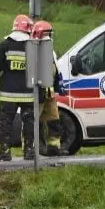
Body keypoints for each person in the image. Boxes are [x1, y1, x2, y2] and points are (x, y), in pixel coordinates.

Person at [0, 14, 36, 161]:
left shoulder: (5, 45)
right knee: (29, 122)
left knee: (6, 123)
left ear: (14, 27)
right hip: (28, 94)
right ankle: (29, 151)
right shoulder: (34, 47)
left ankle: (5, 151)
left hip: (8, 94)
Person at [31, 20, 69, 156]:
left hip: (49, 93)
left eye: (49, 34)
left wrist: (59, 84)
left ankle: (54, 147)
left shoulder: (50, 51)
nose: (48, 37)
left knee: (53, 119)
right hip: (38, 92)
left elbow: (55, 69)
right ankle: (32, 148)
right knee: (34, 121)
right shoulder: (34, 51)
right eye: (46, 34)